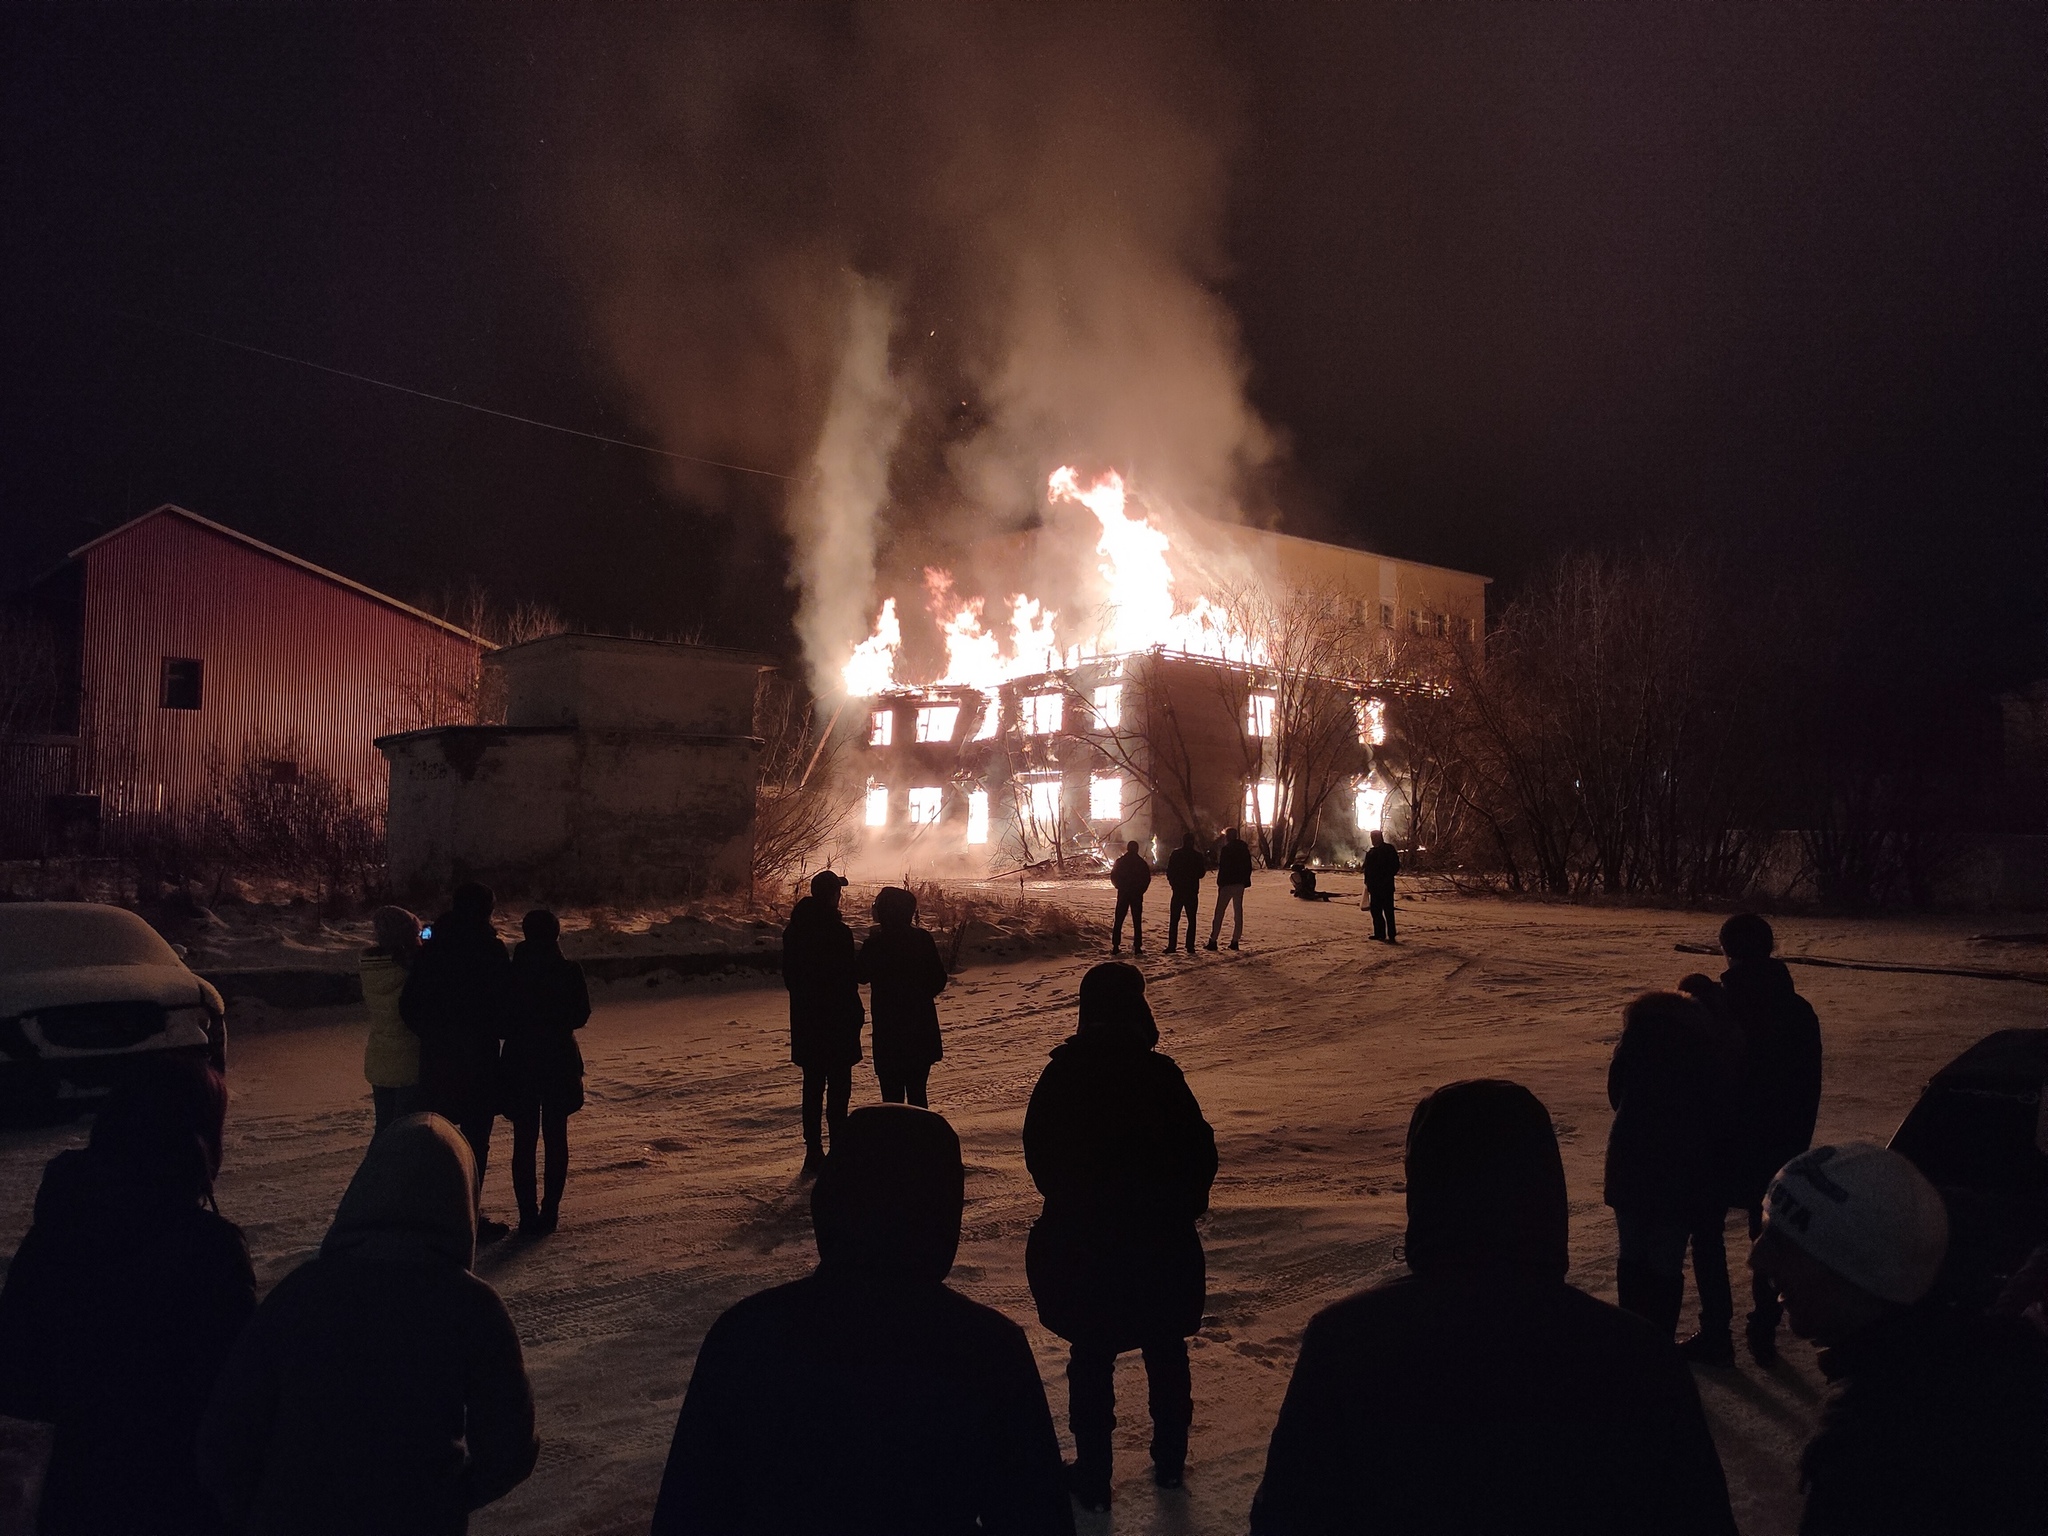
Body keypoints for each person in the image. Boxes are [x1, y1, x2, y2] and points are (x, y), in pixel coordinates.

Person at [1249, 1080, 1738, 1535]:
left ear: (1424, 1190)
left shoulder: (1347, 1344)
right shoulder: (1637, 1356)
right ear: (1548, 1190)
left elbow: (1287, 1518)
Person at [650, 1105, 1073, 1535]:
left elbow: (685, 1512)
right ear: (943, 1213)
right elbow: (1037, 1517)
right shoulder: (985, 1351)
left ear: (830, 1203)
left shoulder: (745, 1337)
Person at [197, 1114, 538, 1536]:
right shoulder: (473, 1309)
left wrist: (257, 1514)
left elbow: (224, 1438)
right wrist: (440, 1501)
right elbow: (509, 1451)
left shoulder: (301, 1294)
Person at [0, 1058, 255, 1536]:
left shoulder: (53, 1235)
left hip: (73, 1499)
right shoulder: (209, 1251)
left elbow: (17, 1379)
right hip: (178, 1500)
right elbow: (239, 1394)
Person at [1749, 1143, 2048, 1535]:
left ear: (1856, 1272)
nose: (1756, 1258)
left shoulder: (1873, 1450)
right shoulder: (2000, 1360)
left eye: (1785, 1244)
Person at [1023, 963, 1217, 1509]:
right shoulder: (1160, 1075)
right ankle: (1171, 1463)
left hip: (1086, 1244)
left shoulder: (1063, 1073)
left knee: (1090, 1355)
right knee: (1165, 1350)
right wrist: (1180, 1207)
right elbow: (1200, 1153)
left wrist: (1070, 1203)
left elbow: (1038, 1150)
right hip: (1158, 1243)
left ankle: (1094, 1474)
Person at [1712, 913, 1823, 1365]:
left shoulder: (1721, 1007)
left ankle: (1716, 1329)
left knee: (1707, 1232)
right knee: (1768, 1231)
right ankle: (1764, 1324)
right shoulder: (1797, 1010)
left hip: (1724, 1136)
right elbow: (1808, 1083)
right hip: (1781, 1137)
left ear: (1728, 950)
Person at [1603, 990, 1739, 1342]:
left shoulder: (1632, 1047)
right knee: (1665, 1257)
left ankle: (1631, 1336)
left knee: (1631, 1254)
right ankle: (1658, 1340)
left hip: (1629, 1161)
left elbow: (1615, 1096)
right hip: (1681, 1166)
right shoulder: (1703, 1051)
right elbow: (1719, 1111)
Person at [401, 881, 513, 1242]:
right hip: (478, 1059)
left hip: (439, 1060)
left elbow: (410, 1004)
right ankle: (467, 1216)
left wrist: (432, 1034)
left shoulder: (433, 948)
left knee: (437, 1139)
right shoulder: (490, 950)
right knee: (474, 1143)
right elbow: (502, 1007)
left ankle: (431, 1214)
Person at [501, 909, 589, 1236]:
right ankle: (550, 1210)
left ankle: (527, 1213)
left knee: (523, 1141)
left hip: (520, 1061)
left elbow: (501, 1020)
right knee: (556, 1137)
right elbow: (580, 1015)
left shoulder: (512, 972)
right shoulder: (568, 970)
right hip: (559, 1059)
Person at [783, 869, 864, 1175]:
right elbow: (848, 977)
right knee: (839, 1086)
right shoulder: (838, 932)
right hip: (838, 1019)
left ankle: (813, 1148)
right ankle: (838, 1146)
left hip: (807, 1020)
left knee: (812, 1085)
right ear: (832, 896)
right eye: (837, 892)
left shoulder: (794, 931)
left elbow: (790, 978)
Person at [857, 886, 949, 1107]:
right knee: (918, 1095)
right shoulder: (922, 939)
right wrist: (918, 998)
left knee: (891, 1099)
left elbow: (860, 974)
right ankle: (919, 1139)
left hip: (889, 1032)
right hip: (920, 1030)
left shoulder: (876, 944)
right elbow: (938, 979)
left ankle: (895, 1139)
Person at [361, 905, 423, 1132]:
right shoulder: (411, 970)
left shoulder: (371, 967)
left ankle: (375, 1168)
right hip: (409, 1060)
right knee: (405, 1133)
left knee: (385, 1130)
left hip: (380, 1059)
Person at [1206, 826, 1253, 951]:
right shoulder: (1244, 849)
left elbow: (1224, 869)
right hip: (1239, 884)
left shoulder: (1227, 850)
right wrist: (1245, 881)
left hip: (1227, 884)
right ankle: (1235, 940)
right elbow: (1248, 866)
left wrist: (1220, 883)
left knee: (1219, 912)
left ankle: (1213, 940)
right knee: (1238, 912)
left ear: (1228, 837)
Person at [1164, 832, 1206, 953]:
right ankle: (1190, 946)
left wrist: (1173, 884)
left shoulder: (1176, 854)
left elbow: (1170, 872)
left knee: (1174, 919)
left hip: (1178, 891)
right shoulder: (1197, 856)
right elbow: (1201, 873)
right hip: (1192, 891)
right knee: (1191, 919)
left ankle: (1172, 946)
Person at [1109, 840, 1152, 954]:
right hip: (1136, 895)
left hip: (1123, 894)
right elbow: (1146, 879)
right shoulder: (1141, 863)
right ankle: (1137, 946)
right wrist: (1141, 891)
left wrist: (1120, 887)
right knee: (1137, 921)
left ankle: (1115, 946)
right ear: (1137, 849)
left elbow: (1113, 877)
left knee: (1119, 920)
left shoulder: (1120, 861)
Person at [1361, 829, 1401, 941]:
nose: (1373, 840)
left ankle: (1389, 934)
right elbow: (1368, 870)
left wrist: (1383, 877)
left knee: (1387, 911)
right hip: (1377, 887)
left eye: (1374, 838)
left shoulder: (1386, 850)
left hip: (1384, 886)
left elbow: (1394, 866)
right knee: (1377, 911)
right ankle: (1380, 933)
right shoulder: (1374, 852)